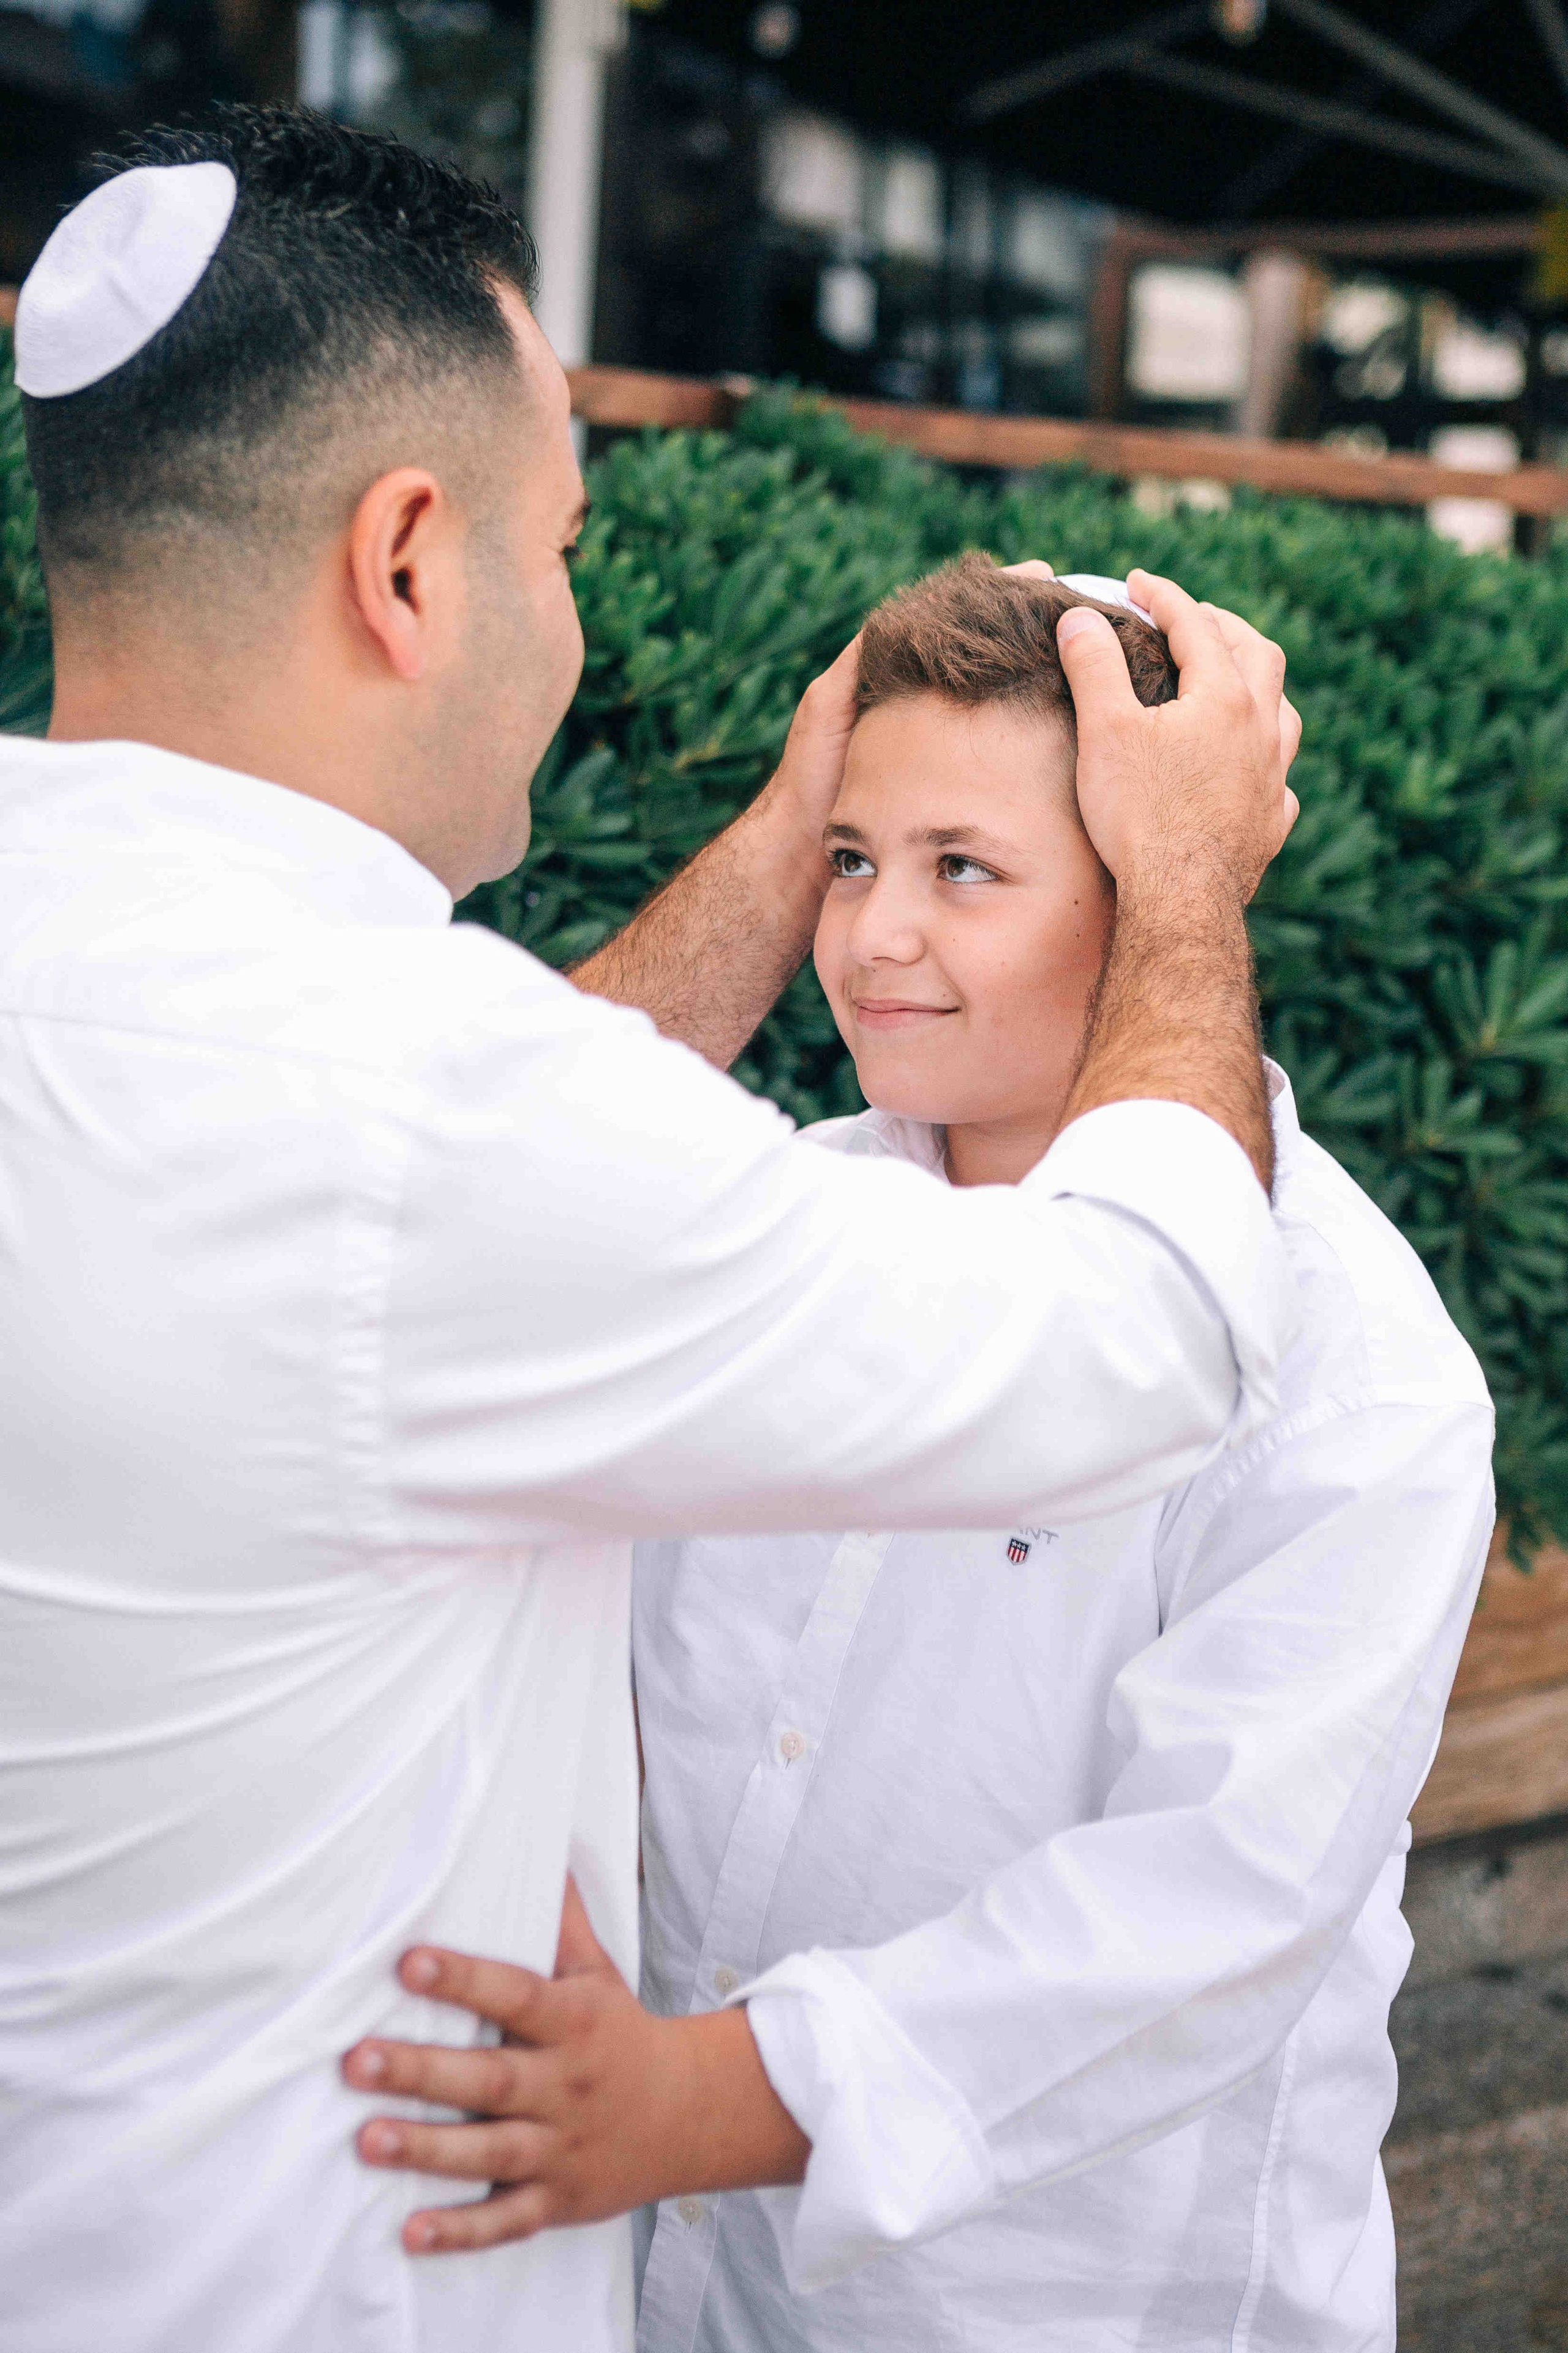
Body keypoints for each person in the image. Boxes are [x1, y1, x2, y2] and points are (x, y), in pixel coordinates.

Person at [1, 102, 1300, 2353]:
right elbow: (1146, 1337)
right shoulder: (418, 1117)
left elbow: (441, 1196)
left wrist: (817, 826)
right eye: (563, 544)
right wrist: (1183, 881)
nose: (573, 620)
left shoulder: (249, 1031)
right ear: (408, 561)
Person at [347, 560, 1494, 2353]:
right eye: (857, 857)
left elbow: (1208, 1907)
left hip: (1077, 2305)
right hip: (673, 2279)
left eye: (965, 868)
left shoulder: (1359, 1370)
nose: (876, 931)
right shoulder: (783, 1210)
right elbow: (490, 1205)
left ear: (1145, 891)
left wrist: (703, 2100)